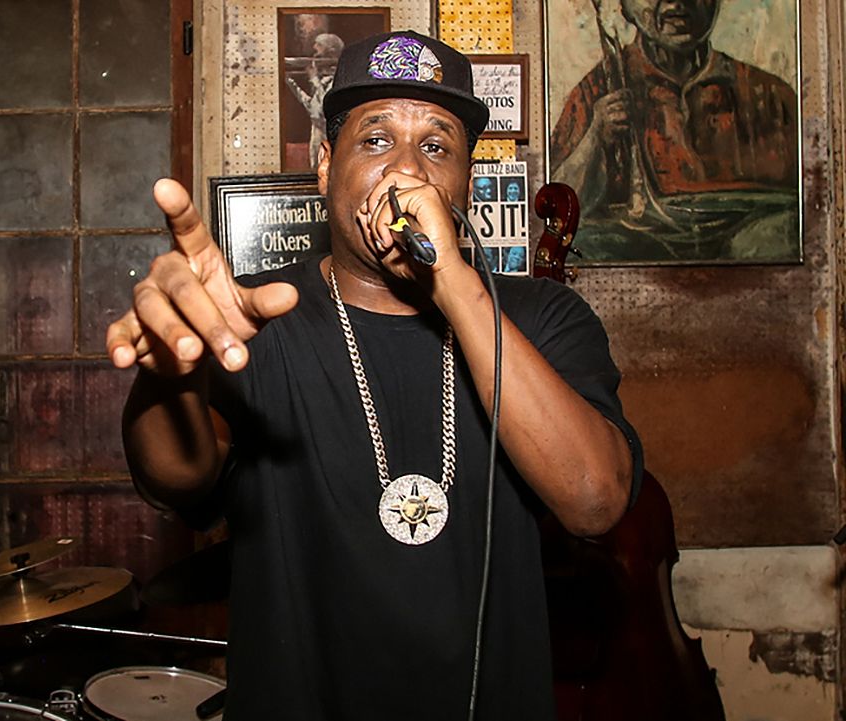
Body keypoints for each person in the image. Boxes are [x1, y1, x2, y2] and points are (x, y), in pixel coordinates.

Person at [108, 30, 641, 720]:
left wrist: (452, 281)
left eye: (437, 147)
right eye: (377, 139)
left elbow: (594, 500)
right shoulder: (260, 315)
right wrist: (172, 372)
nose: (407, 169)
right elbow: (174, 476)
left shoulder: (542, 317)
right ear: (325, 166)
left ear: (467, 185)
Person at [550, 0, 798, 260]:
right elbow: (557, 213)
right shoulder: (599, 92)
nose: (677, 3)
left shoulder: (769, 97)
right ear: (625, 7)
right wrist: (596, 137)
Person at [284, 32, 345, 168]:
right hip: (316, 137)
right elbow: (312, 108)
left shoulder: (336, 80)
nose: (314, 59)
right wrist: (289, 82)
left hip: (328, 137)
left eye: (319, 55)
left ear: (331, 53)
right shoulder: (322, 81)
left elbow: (322, 111)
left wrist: (314, 79)